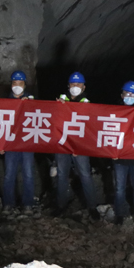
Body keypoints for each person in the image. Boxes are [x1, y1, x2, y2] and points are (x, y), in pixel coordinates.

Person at [54, 72, 98, 218]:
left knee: (85, 174)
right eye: (73, 84)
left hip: (80, 146)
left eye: (78, 85)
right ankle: (61, 206)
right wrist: (56, 107)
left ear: (83, 87)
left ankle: (92, 207)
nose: (75, 87)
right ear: (68, 86)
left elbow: (91, 126)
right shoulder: (60, 100)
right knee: (61, 175)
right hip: (63, 144)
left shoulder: (86, 102)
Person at [0, 70, 37, 215]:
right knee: (9, 174)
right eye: (14, 83)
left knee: (28, 174)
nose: (17, 85)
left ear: (25, 84)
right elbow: (0, 125)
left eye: (20, 83)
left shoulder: (32, 101)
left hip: (27, 143)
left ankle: (28, 204)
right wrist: (0, 144)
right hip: (10, 144)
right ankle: (8, 203)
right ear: (11, 84)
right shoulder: (5, 103)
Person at [112, 80, 134, 226]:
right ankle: (120, 214)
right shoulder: (114, 112)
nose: (130, 96)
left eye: (133, 94)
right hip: (119, 158)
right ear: (122, 94)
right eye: (127, 93)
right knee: (119, 188)